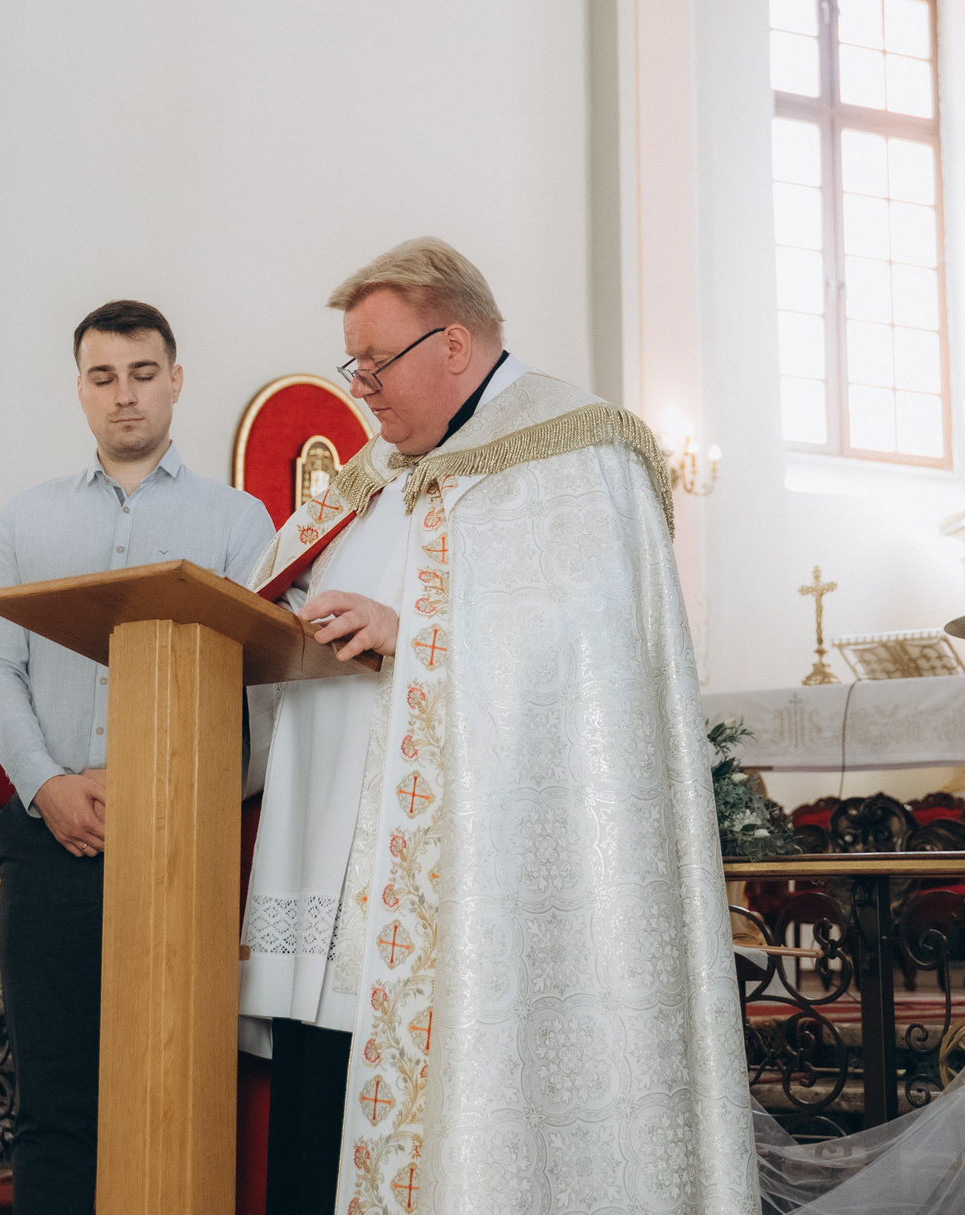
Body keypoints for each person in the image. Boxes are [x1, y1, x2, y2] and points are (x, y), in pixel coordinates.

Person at [240, 237, 756, 1213]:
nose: (359, 390)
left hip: (474, 911)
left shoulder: (575, 451)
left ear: (455, 342)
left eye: (373, 363)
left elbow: (587, 664)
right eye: (351, 365)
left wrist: (414, 633)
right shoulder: (376, 479)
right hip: (335, 894)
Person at [0, 300, 273, 1214]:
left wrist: (164, 792)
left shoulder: (238, 522)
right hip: (50, 841)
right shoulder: (26, 520)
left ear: (176, 381)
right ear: (81, 391)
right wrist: (49, 782)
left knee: (170, 1088)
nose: (124, 394)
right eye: (103, 377)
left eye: (143, 373)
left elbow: (267, 693)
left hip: (182, 850)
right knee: (54, 1101)